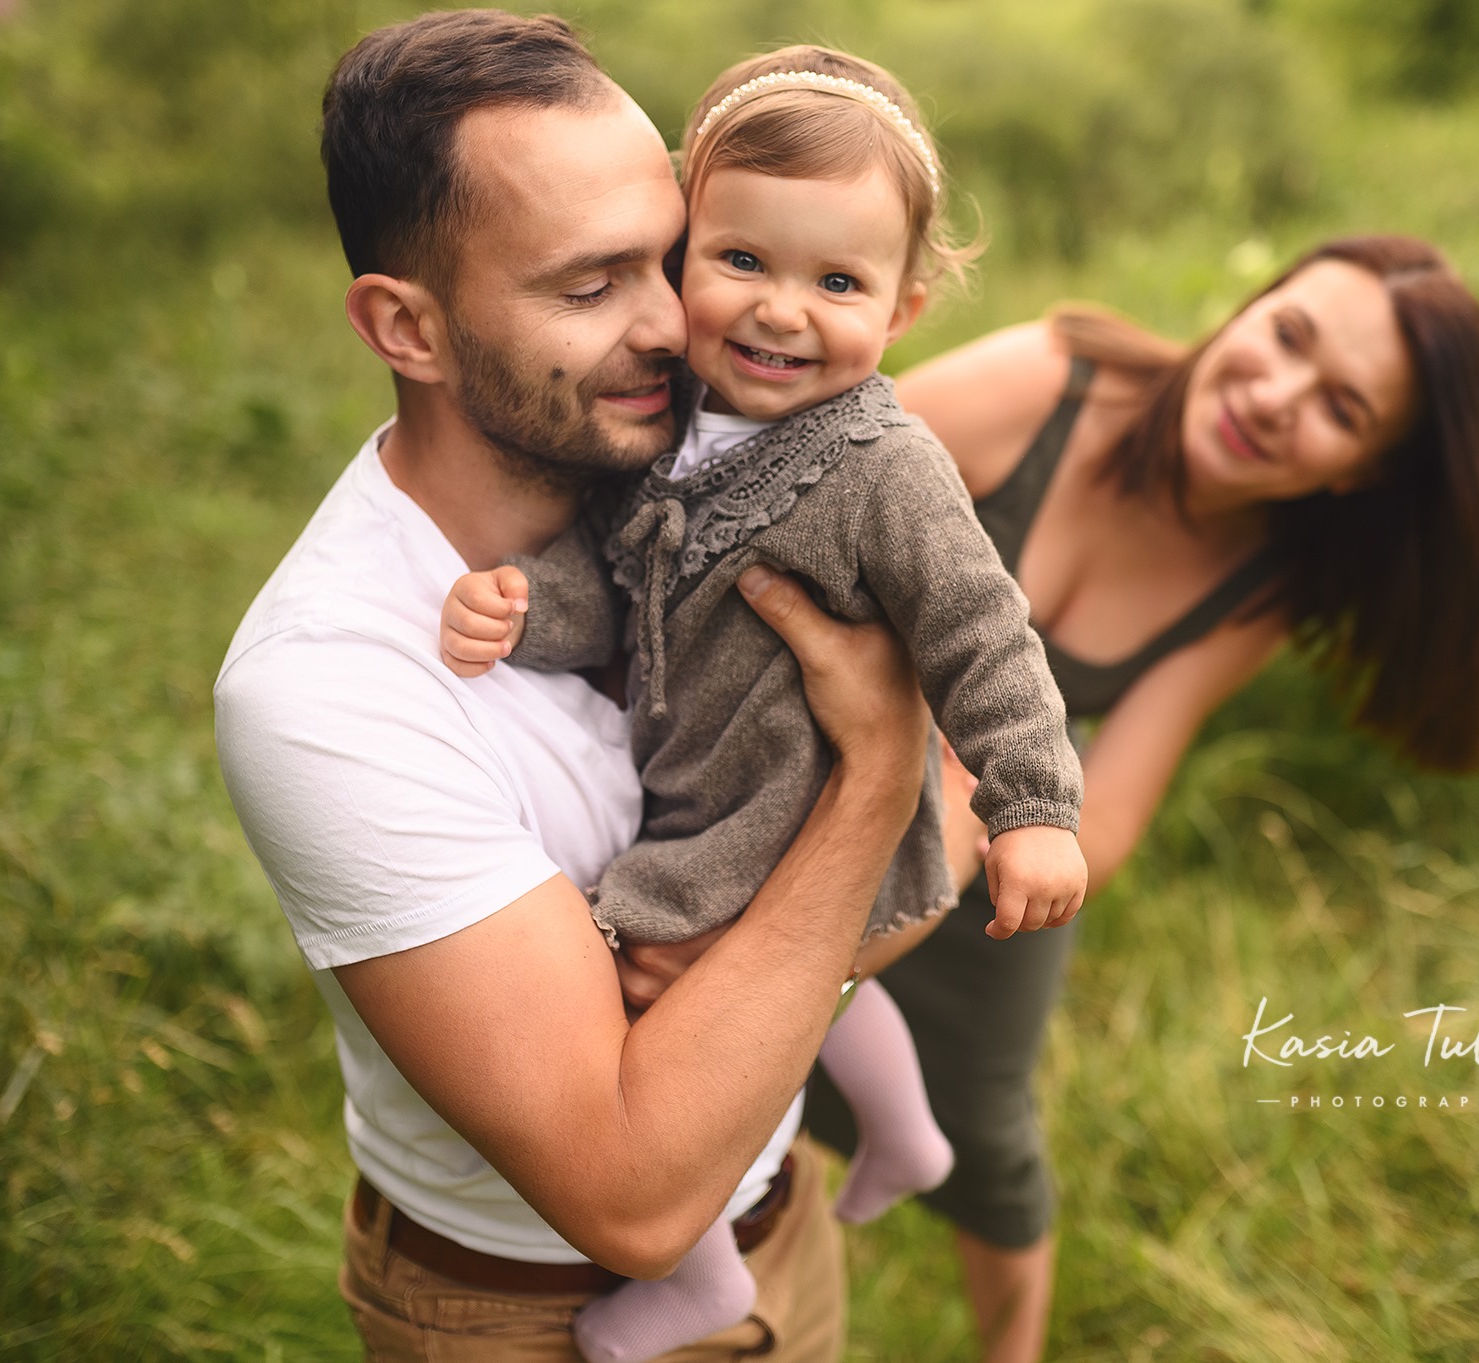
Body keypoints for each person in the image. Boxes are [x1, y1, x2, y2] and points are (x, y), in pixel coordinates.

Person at [213, 13, 939, 1361]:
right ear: (407, 326)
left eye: (668, 254)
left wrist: (735, 971)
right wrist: (875, 779)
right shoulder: (327, 686)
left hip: (788, 1225)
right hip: (532, 1311)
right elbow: (633, 1192)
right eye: (589, 286)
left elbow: (988, 783)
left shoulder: (729, 448)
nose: (673, 323)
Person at [434, 45, 1087, 1363]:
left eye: (836, 283)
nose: (782, 311)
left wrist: (1032, 806)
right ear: (680, 257)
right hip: (709, 778)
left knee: (635, 989)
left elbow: (983, 634)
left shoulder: (885, 469)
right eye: (742, 261)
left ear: (901, 308)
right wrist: (523, 608)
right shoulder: (667, 420)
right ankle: (902, 1131)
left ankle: (703, 1269)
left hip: (775, 812)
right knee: (802, 1001)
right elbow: (613, 580)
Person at [799, 235, 1479, 1360]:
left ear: (1359, 473)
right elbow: (794, 492)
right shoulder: (1047, 381)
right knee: (726, 1021)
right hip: (794, 736)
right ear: (1248, 307)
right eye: (1285, 335)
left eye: (1340, 409)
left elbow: (1109, 817)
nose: (1274, 398)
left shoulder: (1260, 583)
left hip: (1002, 831)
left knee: (985, 1128)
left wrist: (967, 829)